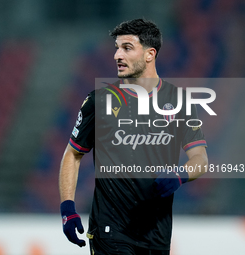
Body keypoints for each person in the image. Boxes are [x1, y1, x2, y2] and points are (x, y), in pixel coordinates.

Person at [59, 18, 208, 255]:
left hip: (157, 233)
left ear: (150, 54)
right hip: (110, 231)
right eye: (116, 48)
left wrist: (181, 174)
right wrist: (68, 207)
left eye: (127, 48)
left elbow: (200, 158)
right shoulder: (99, 101)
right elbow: (73, 153)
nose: (117, 55)